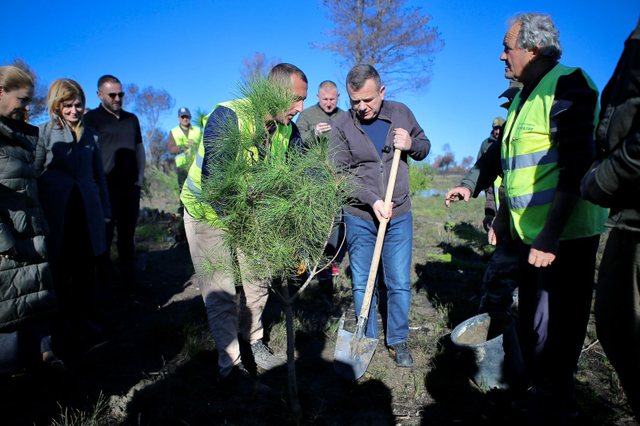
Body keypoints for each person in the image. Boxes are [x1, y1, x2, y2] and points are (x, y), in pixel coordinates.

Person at [445, 13, 607, 422]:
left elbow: (576, 164)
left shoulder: (570, 84)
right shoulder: (521, 97)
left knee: (559, 331)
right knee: (536, 327)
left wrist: (551, 234)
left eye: (507, 46)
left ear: (532, 49)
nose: (502, 55)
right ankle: (544, 397)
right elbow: (507, 163)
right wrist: (497, 212)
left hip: (563, 238)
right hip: (530, 236)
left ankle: (557, 406)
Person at [180, 63, 308, 389]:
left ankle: (254, 340)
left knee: (258, 279)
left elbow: (290, 184)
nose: (301, 109)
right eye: (296, 99)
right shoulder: (229, 116)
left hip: (251, 214)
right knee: (222, 290)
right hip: (208, 212)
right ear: (274, 93)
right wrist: (247, 228)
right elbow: (216, 185)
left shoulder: (287, 132)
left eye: (303, 100)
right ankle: (231, 367)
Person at [330, 64, 430, 368]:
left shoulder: (400, 113)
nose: (362, 108)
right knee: (363, 282)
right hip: (360, 214)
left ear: (382, 92)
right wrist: (372, 200)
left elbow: (424, 146)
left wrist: (411, 145)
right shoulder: (342, 126)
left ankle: (398, 339)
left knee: (398, 280)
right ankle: (367, 337)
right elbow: (340, 175)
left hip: (398, 213)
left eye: (368, 100)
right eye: (355, 101)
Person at [581, 18, 640, 420]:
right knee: (616, 326)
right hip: (627, 213)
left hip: (631, 210)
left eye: (506, 46)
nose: (500, 55)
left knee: (623, 327)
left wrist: (605, 175)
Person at [34, 79, 111, 347]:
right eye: (68, 105)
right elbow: (35, 173)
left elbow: (99, 177)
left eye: (78, 105)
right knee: (60, 268)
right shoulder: (43, 133)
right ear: (57, 106)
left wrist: (105, 210)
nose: (74, 110)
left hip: (87, 212)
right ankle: (61, 323)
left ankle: (84, 317)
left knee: (85, 268)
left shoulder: (91, 136)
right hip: (58, 213)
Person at [0, 65, 61, 371]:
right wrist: (3, 241)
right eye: (22, 100)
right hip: (8, 246)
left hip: (31, 237)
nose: (26, 108)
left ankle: (44, 360)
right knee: (8, 315)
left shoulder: (19, 136)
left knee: (35, 304)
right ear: (0, 92)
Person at [84, 75, 145, 290]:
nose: (117, 98)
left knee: (127, 236)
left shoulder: (132, 119)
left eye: (120, 94)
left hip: (130, 187)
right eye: (112, 95)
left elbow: (139, 148)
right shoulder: (91, 119)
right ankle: (104, 286)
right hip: (104, 188)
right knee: (104, 237)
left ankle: (130, 281)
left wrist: (140, 177)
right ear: (100, 95)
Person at [296, 80, 347, 283]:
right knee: (311, 220)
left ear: (338, 98)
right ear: (318, 97)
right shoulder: (307, 115)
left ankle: (328, 262)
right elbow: (297, 141)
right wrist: (313, 133)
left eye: (332, 99)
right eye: (325, 99)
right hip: (312, 178)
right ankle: (305, 263)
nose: (328, 103)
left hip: (336, 178)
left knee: (335, 221)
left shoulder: (344, 117)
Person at [167, 106, 201, 193]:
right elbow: (171, 149)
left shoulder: (198, 130)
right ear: (179, 118)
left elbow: (204, 144)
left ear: (190, 117)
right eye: (182, 117)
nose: (185, 119)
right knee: (183, 191)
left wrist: (195, 145)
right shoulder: (173, 132)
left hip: (197, 164)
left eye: (187, 116)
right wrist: (184, 146)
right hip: (182, 167)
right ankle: (182, 207)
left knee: (197, 190)